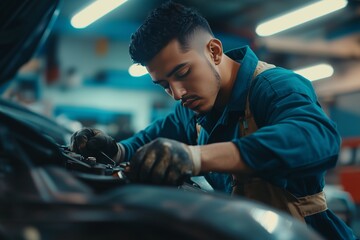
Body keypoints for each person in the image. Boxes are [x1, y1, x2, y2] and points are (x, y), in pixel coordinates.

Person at [70, 1, 358, 239]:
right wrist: (112, 149)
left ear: (214, 51)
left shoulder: (273, 87)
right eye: (164, 85)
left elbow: (318, 138)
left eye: (182, 73)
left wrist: (197, 157)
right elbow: (151, 139)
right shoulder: (193, 109)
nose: (177, 93)